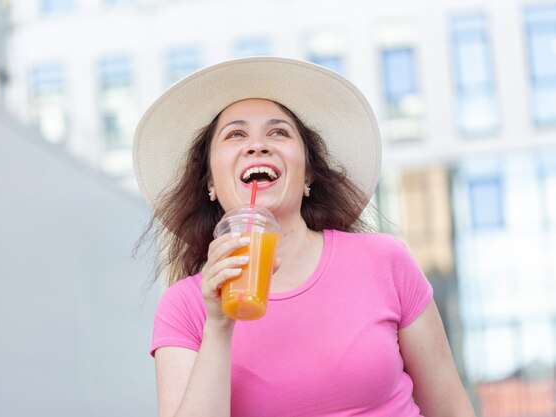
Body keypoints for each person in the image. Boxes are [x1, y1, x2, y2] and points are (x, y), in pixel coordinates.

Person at [134, 57, 476, 417]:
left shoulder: (385, 260)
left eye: (278, 132)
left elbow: (450, 406)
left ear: (309, 175)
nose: (258, 146)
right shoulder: (184, 307)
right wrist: (218, 326)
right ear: (211, 185)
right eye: (236, 134)